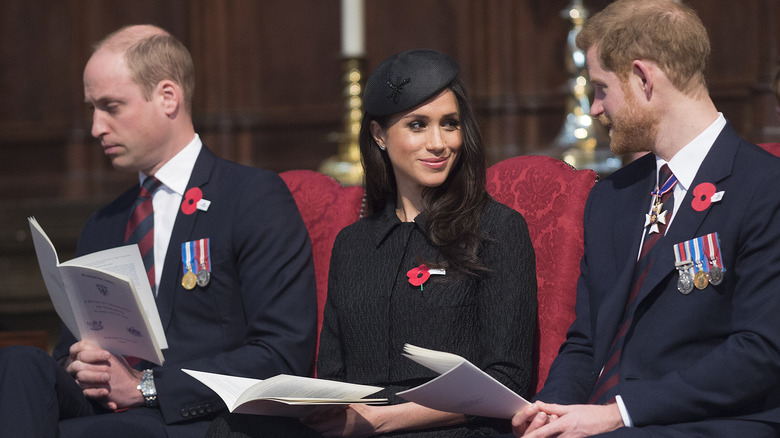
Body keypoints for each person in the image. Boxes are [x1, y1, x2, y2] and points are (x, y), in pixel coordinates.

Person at [0, 25, 317, 438]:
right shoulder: (103, 223)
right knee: (19, 362)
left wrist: (145, 387)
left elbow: (282, 353)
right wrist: (80, 365)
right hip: (108, 410)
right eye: (92, 109)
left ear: (168, 96)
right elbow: (69, 351)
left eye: (111, 106)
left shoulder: (250, 197)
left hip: (199, 418)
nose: (96, 127)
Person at [207, 49, 537, 437]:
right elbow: (333, 375)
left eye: (450, 124)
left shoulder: (498, 228)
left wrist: (382, 419)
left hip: (450, 428)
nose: (438, 143)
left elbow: (509, 381)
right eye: (417, 125)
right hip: (356, 425)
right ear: (380, 135)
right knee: (232, 427)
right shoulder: (353, 243)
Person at [507, 1, 780, 437]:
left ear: (642, 78)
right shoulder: (612, 197)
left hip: (710, 422)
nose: (595, 109)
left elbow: (760, 352)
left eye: (600, 88)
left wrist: (618, 413)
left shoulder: (766, 188)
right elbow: (586, 340)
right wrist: (551, 413)